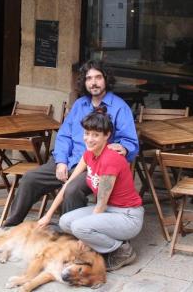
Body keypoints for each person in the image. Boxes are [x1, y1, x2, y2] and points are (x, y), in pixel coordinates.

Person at [2, 60, 139, 227]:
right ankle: (11, 226)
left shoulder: (119, 107)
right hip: (69, 160)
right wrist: (61, 162)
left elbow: (130, 142)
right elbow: (64, 136)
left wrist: (123, 147)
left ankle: (68, 233)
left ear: (106, 80)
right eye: (89, 78)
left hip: (93, 167)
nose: (94, 82)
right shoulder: (79, 104)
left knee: (72, 189)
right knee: (30, 179)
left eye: (98, 77)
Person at [37, 106, 143, 271]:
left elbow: (101, 203)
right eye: (87, 133)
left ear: (107, 136)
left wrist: (83, 238)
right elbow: (68, 184)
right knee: (65, 221)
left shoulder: (111, 159)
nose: (89, 139)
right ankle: (101, 244)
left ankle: (122, 250)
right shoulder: (88, 155)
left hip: (128, 216)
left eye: (96, 135)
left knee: (80, 228)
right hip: (109, 211)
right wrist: (47, 215)